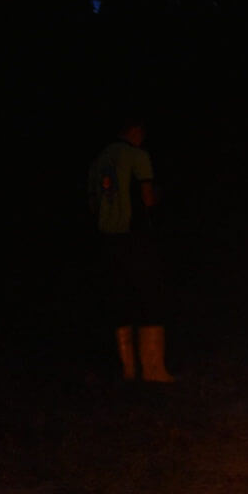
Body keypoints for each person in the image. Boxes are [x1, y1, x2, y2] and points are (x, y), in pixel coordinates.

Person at [88, 118, 174, 382]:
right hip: (136, 236)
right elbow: (147, 198)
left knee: (120, 298)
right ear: (135, 131)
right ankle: (153, 369)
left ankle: (127, 369)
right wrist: (158, 197)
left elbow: (94, 201)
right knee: (150, 296)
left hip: (108, 239)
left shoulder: (100, 160)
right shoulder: (137, 156)